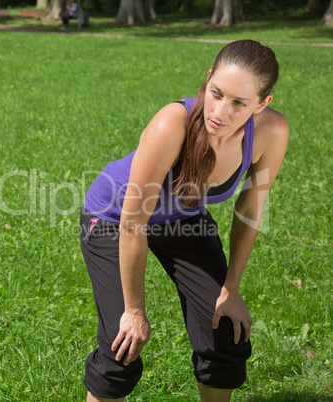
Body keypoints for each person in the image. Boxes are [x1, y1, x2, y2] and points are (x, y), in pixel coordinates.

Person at [79, 40, 289, 401]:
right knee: (122, 343)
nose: (220, 111)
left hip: (183, 217)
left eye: (239, 103)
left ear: (262, 104)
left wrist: (231, 289)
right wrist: (134, 311)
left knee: (225, 327)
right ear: (207, 80)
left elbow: (250, 211)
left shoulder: (271, 133)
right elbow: (133, 223)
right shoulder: (171, 124)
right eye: (216, 93)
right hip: (115, 218)